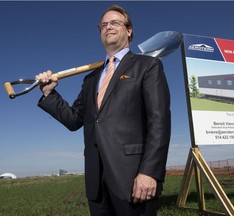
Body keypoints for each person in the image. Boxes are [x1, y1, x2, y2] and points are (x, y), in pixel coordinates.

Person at [36, 4, 171, 216]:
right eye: (103, 25)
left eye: (115, 22)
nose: (108, 27)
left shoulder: (147, 66)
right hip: (96, 184)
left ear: (129, 30)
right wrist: (49, 93)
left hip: (133, 178)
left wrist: (149, 172)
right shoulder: (91, 79)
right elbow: (74, 120)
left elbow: (159, 121)